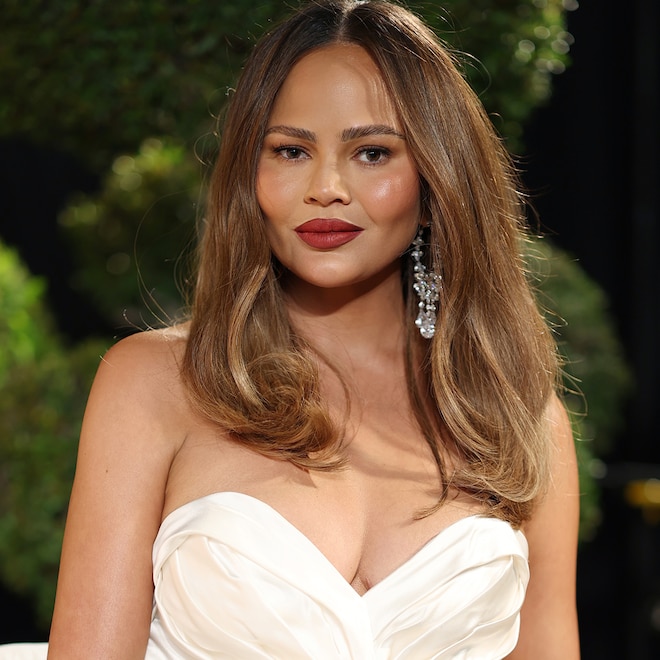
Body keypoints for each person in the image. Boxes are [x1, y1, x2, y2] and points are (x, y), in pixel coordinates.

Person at [3, 0, 580, 657]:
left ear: (434, 184)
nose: (326, 187)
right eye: (291, 150)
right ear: (250, 175)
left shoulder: (520, 418)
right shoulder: (154, 384)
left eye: (371, 152)